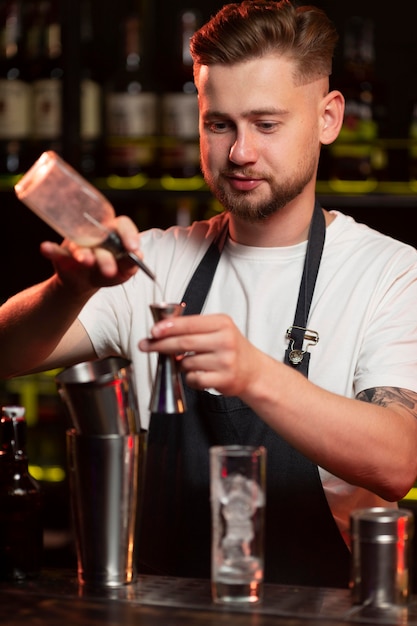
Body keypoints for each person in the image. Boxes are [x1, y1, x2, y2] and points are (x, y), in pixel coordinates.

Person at [1, 0, 417, 588]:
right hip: (160, 603)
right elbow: (7, 354)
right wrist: (67, 291)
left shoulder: (390, 273)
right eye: (218, 124)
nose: (240, 152)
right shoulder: (154, 261)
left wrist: (254, 374)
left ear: (328, 118)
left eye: (266, 125)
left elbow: (398, 460)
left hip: (322, 609)